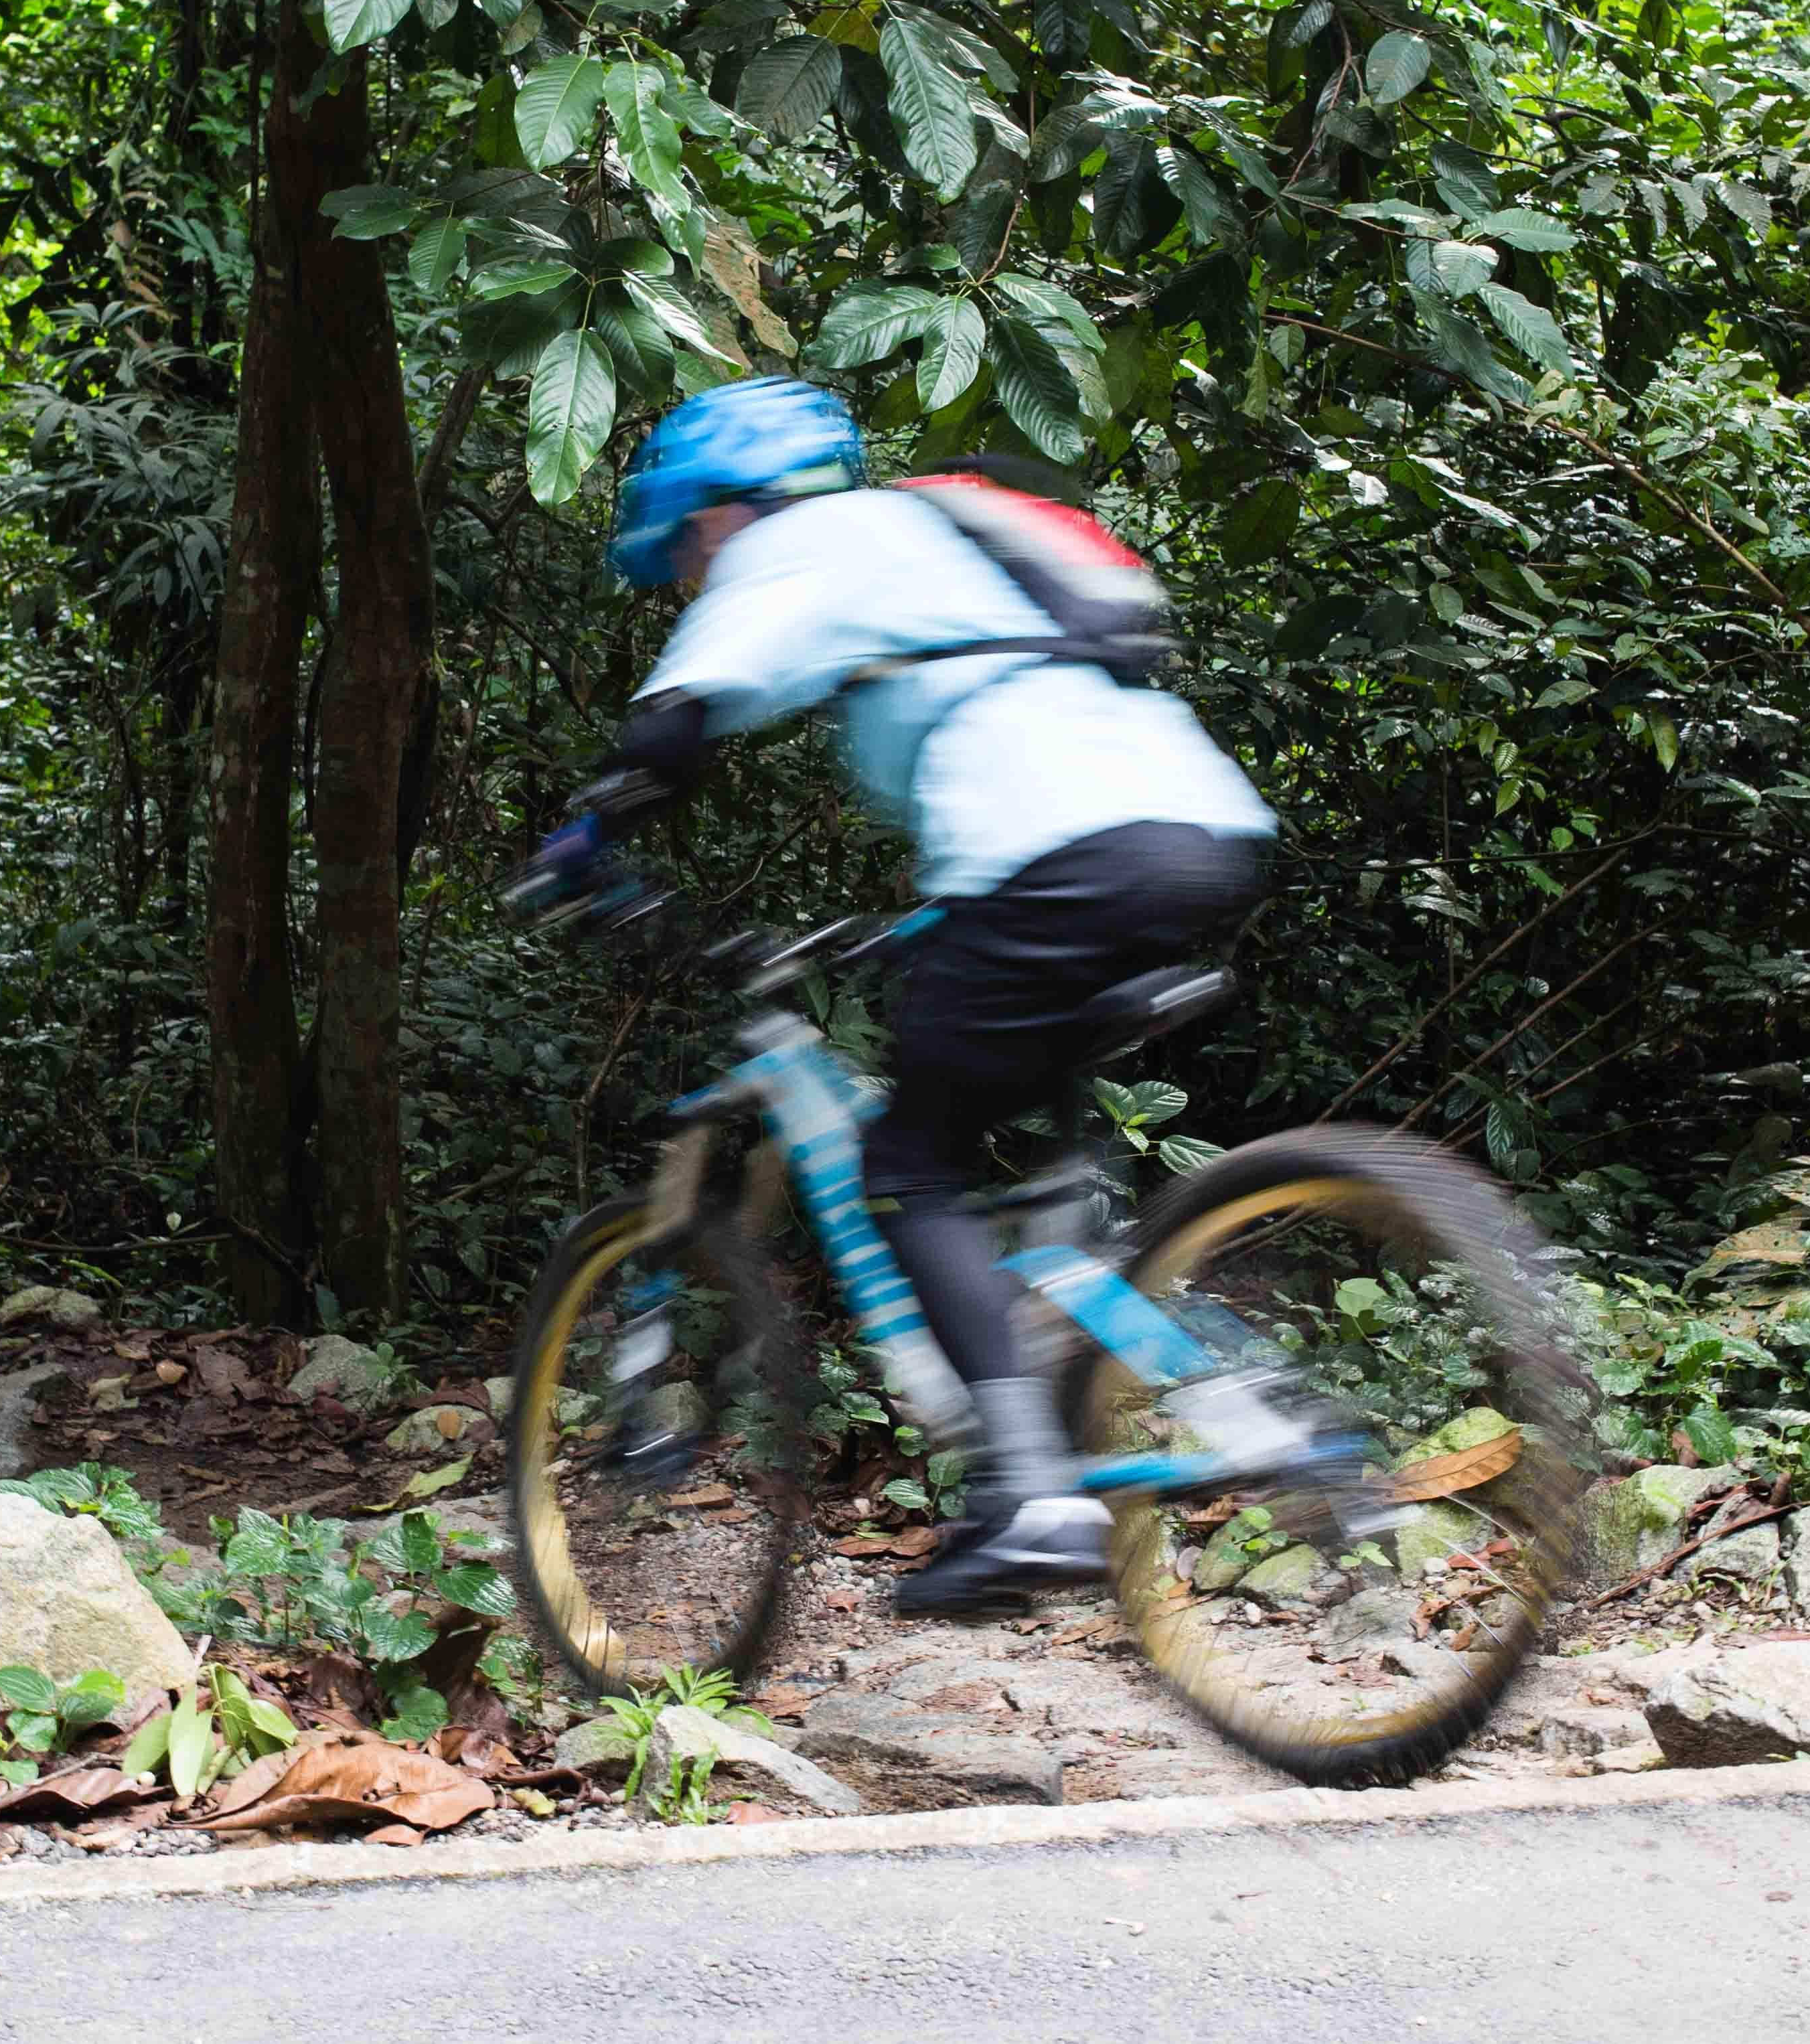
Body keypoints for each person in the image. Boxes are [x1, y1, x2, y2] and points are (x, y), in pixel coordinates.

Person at [516, 377, 1276, 1616]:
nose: (691, 577)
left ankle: (1029, 1495)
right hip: (1191, 830)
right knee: (1028, 1158)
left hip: (1054, 851)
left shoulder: (809, 540)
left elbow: (687, 712)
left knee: (908, 1165)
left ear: (725, 510)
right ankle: (1163, 1373)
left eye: (687, 546)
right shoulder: (943, 546)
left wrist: (588, 837)